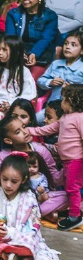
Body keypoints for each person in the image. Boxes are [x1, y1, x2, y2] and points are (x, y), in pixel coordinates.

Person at [26, 84, 83, 230]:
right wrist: (30, 130)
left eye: (63, 99)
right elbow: (48, 129)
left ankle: (75, 216)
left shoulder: (79, 118)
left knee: (72, 188)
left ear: (70, 100)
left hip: (76, 160)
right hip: (68, 161)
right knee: (70, 187)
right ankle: (72, 210)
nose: (61, 102)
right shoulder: (65, 118)